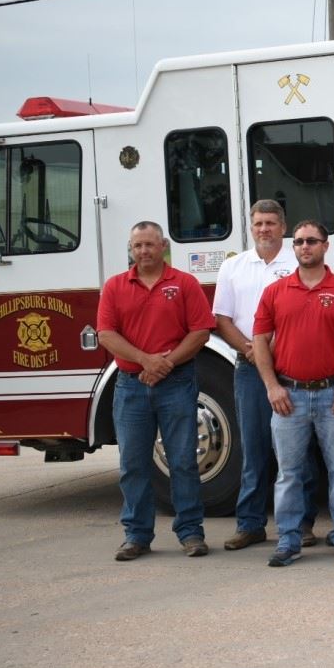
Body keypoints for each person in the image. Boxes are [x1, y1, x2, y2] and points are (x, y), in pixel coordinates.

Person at [252, 220, 334, 567]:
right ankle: (288, 541)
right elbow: (260, 341)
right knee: (289, 472)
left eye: (312, 241)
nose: (305, 246)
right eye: (299, 242)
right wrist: (272, 386)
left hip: (332, 395)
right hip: (288, 396)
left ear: (325, 246)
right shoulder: (276, 292)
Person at [97, 221, 215, 561]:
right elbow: (106, 334)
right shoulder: (116, 286)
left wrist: (165, 363)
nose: (144, 251)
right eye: (138, 246)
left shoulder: (184, 283)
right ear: (131, 249)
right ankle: (136, 535)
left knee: (183, 462)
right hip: (131, 386)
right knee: (132, 464)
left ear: (163, 245)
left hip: (176, 383)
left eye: (150, 245)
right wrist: (146, 360)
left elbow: (200, 332)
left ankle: (191, 533)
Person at [214, 200, 320, 551]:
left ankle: (302, 524)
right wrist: (249, 349)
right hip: (248, 369)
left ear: (283, 227)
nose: (264, 229)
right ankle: (250, 524)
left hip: (291, 368)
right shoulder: (233, 267)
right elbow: (222, 319)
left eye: (271, 223)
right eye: (258, 223)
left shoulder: (299, 262)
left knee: (297, 450)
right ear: (251, 226)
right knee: (253, 446)